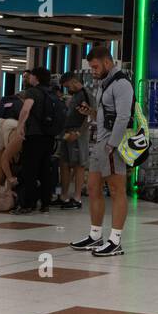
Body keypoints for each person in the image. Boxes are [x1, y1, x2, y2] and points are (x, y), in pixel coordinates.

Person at [69, 46, 133, 257]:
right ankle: (95, 235)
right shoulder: (104, 84)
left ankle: (115, 241)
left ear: (107, 62)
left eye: (95, 66)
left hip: (111, 146)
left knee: (116, 191)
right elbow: (107, 116)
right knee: (94, 187)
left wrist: (111, 145)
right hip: (100, 144)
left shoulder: (122, 83)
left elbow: (124, 117)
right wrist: (92, 113)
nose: (93, 71)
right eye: (91, 67)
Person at [14, 67, 59, 213]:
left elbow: (26, 109)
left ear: (36, 78)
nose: (29, 78)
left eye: (31, 76)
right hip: (49, 136)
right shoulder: (51, 92)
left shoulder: (32, 91)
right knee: (45, 169)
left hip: (34, 136)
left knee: (30, 170)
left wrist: (19, 127)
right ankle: (45, 202)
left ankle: (28, 203)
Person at [57, 71, 93, 210]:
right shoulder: (75, 96)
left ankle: (77, 198)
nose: (67, 89)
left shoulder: (85, 95)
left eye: (68, 86)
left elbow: (89, 117)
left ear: (73, 82)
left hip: (78, 134)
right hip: (67, 132)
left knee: (79, 165)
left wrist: (78, 133)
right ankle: (63, 196)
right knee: (64, 164)